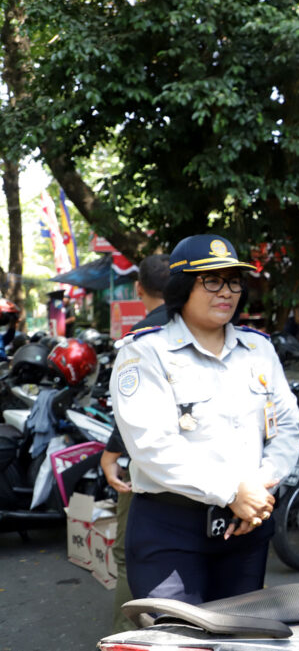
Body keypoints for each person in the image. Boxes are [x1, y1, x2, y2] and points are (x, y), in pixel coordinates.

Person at [110, 234, 299, 605]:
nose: (226, 292)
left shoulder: (259, 349)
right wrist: (232, 492)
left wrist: (258, 490)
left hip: (247, 526)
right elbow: (152, 446)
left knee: (239, 635)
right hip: (170, 531)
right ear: (182, 286)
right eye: (211, 280)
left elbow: (286, 427)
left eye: (233, 281)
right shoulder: (145, 352)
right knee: (174, 639)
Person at [101, 253, 170, 632]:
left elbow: (131, 407)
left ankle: (128, 637)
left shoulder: (141, 337)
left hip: (150, 465)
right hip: (217, 474)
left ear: (138, 288)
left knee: (131, 553)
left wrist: (112, 453)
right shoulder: (211, 327)